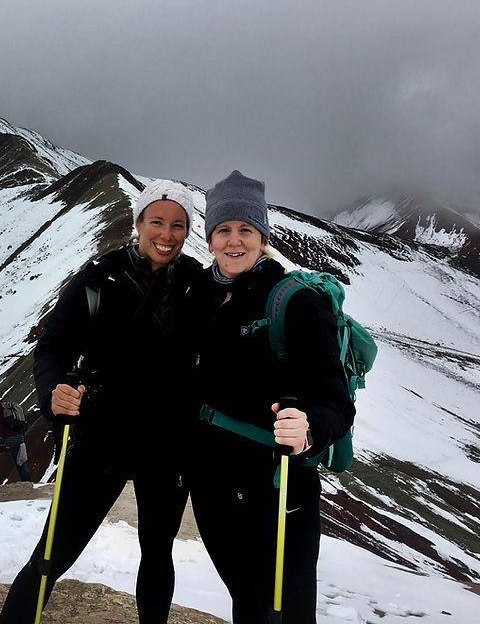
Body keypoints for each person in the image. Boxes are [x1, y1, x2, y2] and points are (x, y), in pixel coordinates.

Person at [0, 179, 203, 624]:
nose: (167, 235)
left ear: (188, 231)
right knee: (53, 553)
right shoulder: (98, 278)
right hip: (101, 437)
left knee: (157, 554)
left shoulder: (195, 285)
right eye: (157, 222)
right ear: (138, 223)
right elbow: (52, 347)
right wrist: (55, 392)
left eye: (178, 225)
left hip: (167, 446)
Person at [187, 171, 355, 624]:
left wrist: (310, 430)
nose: (234, 240)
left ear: (263, 237)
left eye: (246, 229)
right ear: (209, 239)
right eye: (223, 229)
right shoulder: (198, 293)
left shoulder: (294, 302)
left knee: (287, 614)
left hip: (280, 490)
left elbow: (337, 403)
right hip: (213, 490)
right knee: (248, 601)